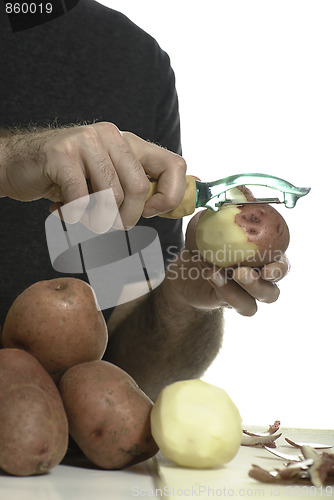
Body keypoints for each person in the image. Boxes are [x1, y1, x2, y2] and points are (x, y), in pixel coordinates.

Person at [0, 0, 289, 400]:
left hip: (61, 457)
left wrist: (185, 299)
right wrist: (10, 160)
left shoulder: (132, 59)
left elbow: (133, 374)